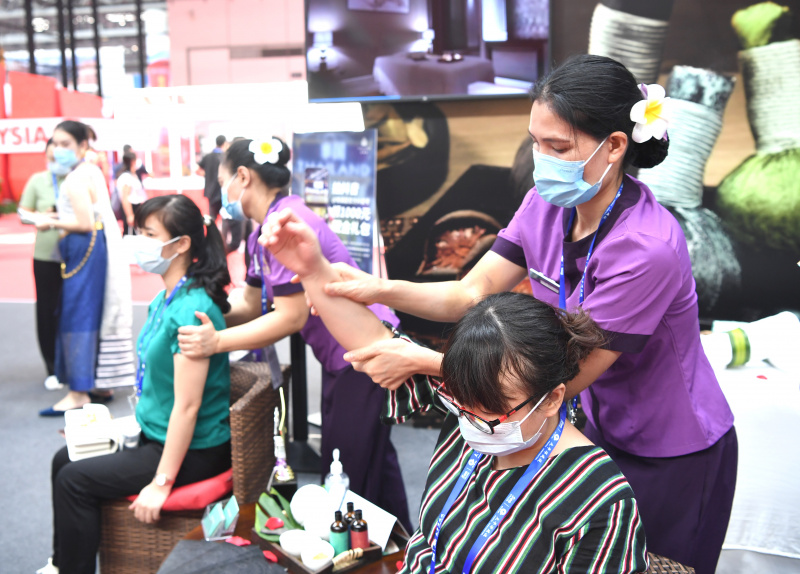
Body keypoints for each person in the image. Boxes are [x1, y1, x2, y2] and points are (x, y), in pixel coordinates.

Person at [314, 55, 737, 574]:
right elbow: (470, 292)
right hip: (586, 421)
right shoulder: (545, 203)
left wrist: (425, 361)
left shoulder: (647, 248)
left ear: (614, 146)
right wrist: (378, 288)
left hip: (669, 448)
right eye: (536, 142)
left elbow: (568, 376)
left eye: (558, 147)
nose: (542, 160)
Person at [259, 208, 649, 573]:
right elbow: (374, 343)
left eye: (492, 410)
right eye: (462, 403)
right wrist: (312, 269)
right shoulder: (468, 409)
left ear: (552, 398)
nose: (472, 421)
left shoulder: (598, 501)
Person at [177, 137, 412, 531]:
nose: (221, 193)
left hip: (364, 349)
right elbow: (250, 304)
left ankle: (361, 551)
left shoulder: (284, 225)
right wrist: (202, 308)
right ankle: (403, 547)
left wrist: (215, 343)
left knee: (347, 469)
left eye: (221, 182)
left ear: (242, 177)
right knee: (371, 459)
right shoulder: (262, 231)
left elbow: (289, 317)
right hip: (346, 354)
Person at [39, 194, 233, 574]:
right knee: (64, 459)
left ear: (181, 244)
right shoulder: (166, 297)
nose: (138, 241)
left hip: (193, 450)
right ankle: (61, 563)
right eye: (138, 231)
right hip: (155, 431)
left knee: (74, 481)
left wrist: (162, 482)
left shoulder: (191, 311)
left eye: (148, 234)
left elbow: (188, 407)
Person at [37, 121, 135, 416]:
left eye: (65, 144)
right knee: (91, 312)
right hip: (92, 249)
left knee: (76, 316)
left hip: (83, 249)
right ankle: (98, 384)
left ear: (82, 146)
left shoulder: (75, 178)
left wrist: (49, 221)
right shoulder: (89, 171)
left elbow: (83, 222)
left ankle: (78, 392)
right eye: (56, 143)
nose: (58, 150)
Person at [18, 139, 65, 390]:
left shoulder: (79, 179)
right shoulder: (38, 180)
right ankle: (52, 367)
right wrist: (42, 217)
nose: (55, 160)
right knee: (47, 311)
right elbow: (23, 213)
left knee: (76, 310)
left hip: (77, 256)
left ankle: (75, 364)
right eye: (51, 155)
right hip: (46, 256)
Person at [197, 135, 228, 222]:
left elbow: (197, 168)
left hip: (211, 191)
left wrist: (204, 174)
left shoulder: (208, 156)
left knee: (212, 217)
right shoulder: (225, 157)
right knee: (225, 217)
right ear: (224, 143)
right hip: (223, 191)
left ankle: (212, 231)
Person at [117, 150, 147, 235]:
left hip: (136, 207)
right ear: (132, 161)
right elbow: (125, 198)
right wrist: (129, 215)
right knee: (131, 234)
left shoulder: (132, 175)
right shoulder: (126, 177)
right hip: (131, 208)